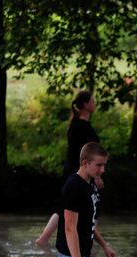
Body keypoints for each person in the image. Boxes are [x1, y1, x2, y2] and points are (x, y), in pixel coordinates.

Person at [48, 142, 116, 257]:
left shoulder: (90, 186)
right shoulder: (74, 187)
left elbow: (88, 224)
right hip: (72, 255)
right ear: (85, 163)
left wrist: (104, 245)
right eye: (99, 165)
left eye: (104, 165)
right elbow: (70, 229)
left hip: (82, 253)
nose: (103, 170)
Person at [36, 91, 102, 246]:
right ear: (86, 105)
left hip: (74, 171)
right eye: (93, 100)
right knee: (91, 206)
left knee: (66, 207)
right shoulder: (81, 127)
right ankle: (87, 242)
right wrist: (97, 175)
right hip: (79, 173)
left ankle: (43, 239)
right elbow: (87, 156)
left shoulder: (76, 124)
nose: (95, 103)